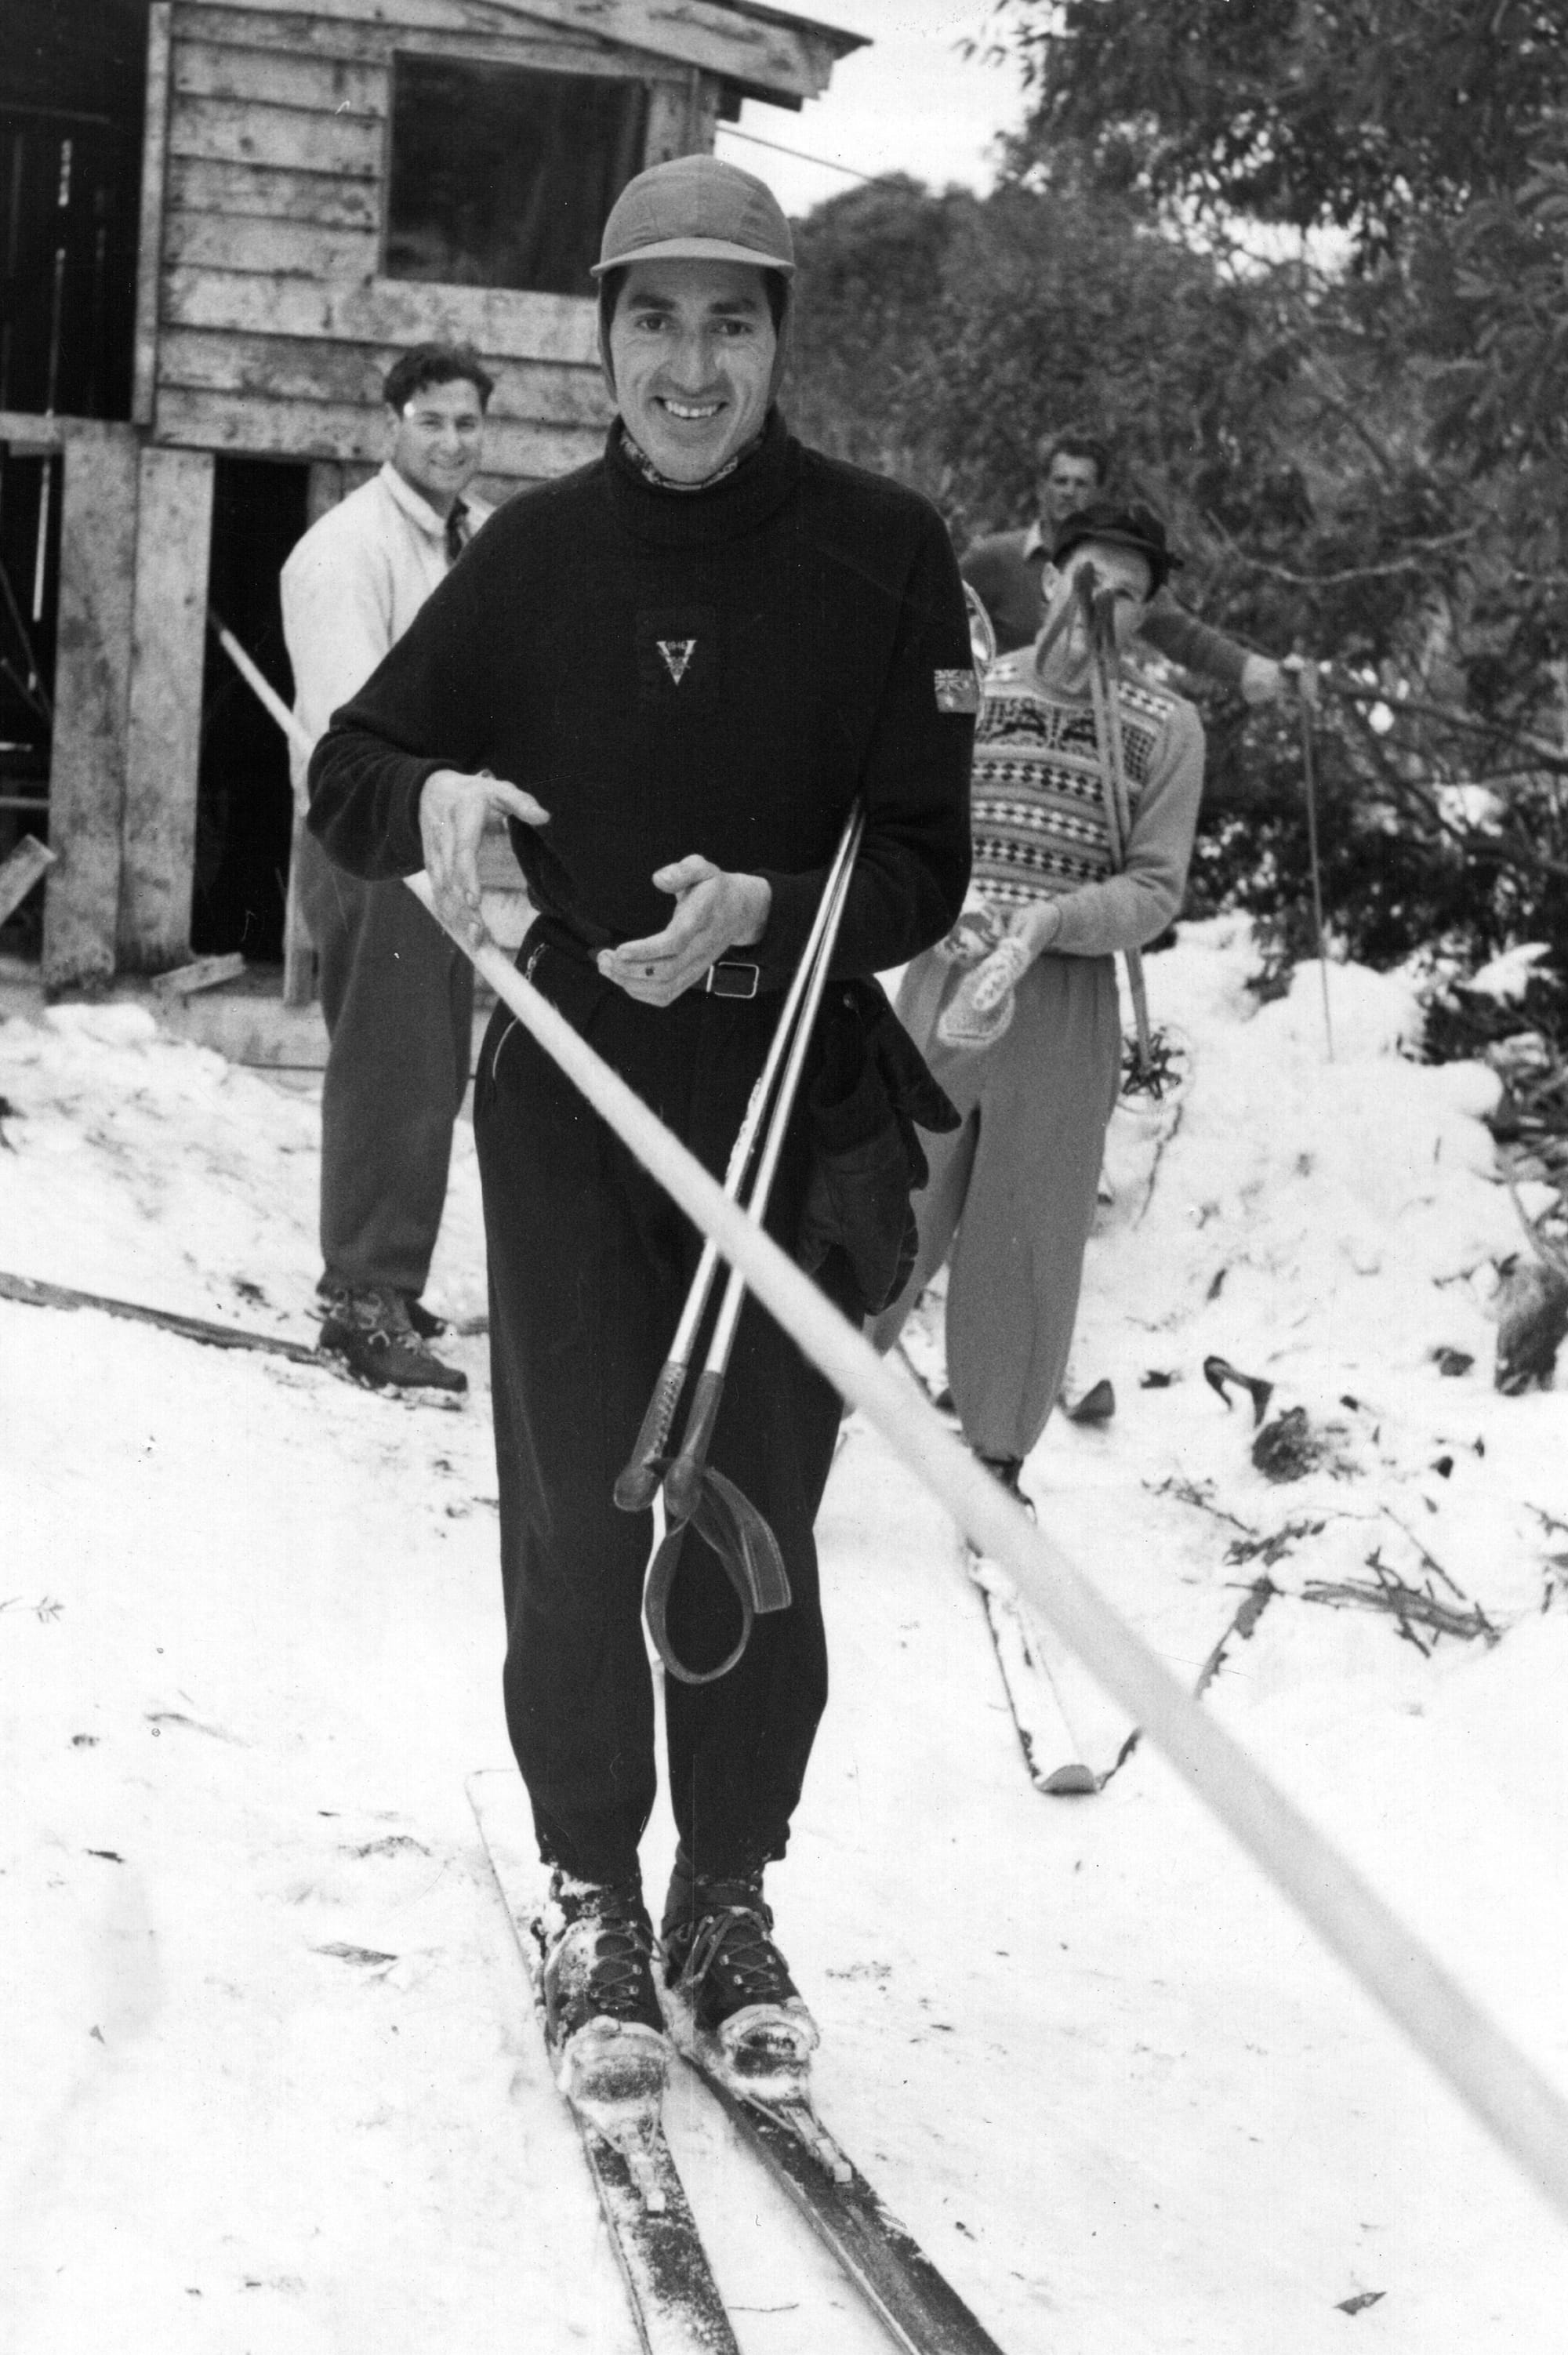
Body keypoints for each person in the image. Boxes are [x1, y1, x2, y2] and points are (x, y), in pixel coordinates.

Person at [305, 156, 974, 2099]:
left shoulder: (883, 552)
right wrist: (432, 805)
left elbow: (926, 855)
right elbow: (354, 767)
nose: (692, 365)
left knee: (751, 1495)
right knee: (576, 1491)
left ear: (779, 340)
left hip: (781, 1094)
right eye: (654, 321)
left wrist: (769, 911)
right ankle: (594, 1886)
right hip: (576, 1099)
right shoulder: (531, 559)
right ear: (600, 339)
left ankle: (729, 1889)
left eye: (732, 321)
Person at [873, 499, 1205, 1495]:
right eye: (1086, 579)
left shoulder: (1163, 725)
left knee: (1028, 1225)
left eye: (1129, 595)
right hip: (946, 975)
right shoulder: (970, 684)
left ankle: (995, 1458)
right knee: (884, 1193)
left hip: (1059, 1003)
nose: (1100, 605)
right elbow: (898, 793)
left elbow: (1154, 888)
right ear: (1049, 577)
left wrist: (1050, 923)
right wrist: (940, 899)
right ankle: (803, 1407)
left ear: (1146, 615)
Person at [281, 343, 498, 1392]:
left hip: (442, 837)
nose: (451, 441)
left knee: (429, 1072)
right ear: (390, 426)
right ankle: (364, 1304)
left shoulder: (474, 544)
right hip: (374, 840)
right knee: (390, 1070)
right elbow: (344, 731)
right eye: (431, 421)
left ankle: (389, 1278)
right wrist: (419, 828)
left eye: (467, 423)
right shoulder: (346, 552)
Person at [960, 429, 1284, 703]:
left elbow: (1183, 636)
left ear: (1099, 493)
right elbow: (933, 625)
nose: (1069, 492)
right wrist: (953, 707)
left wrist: (1254, 669)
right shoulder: (995, 557)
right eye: (1061, 481)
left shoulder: (1120, 570)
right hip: (998, 721)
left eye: (1081, 484)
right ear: (1042, 487)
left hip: (1084, 722)